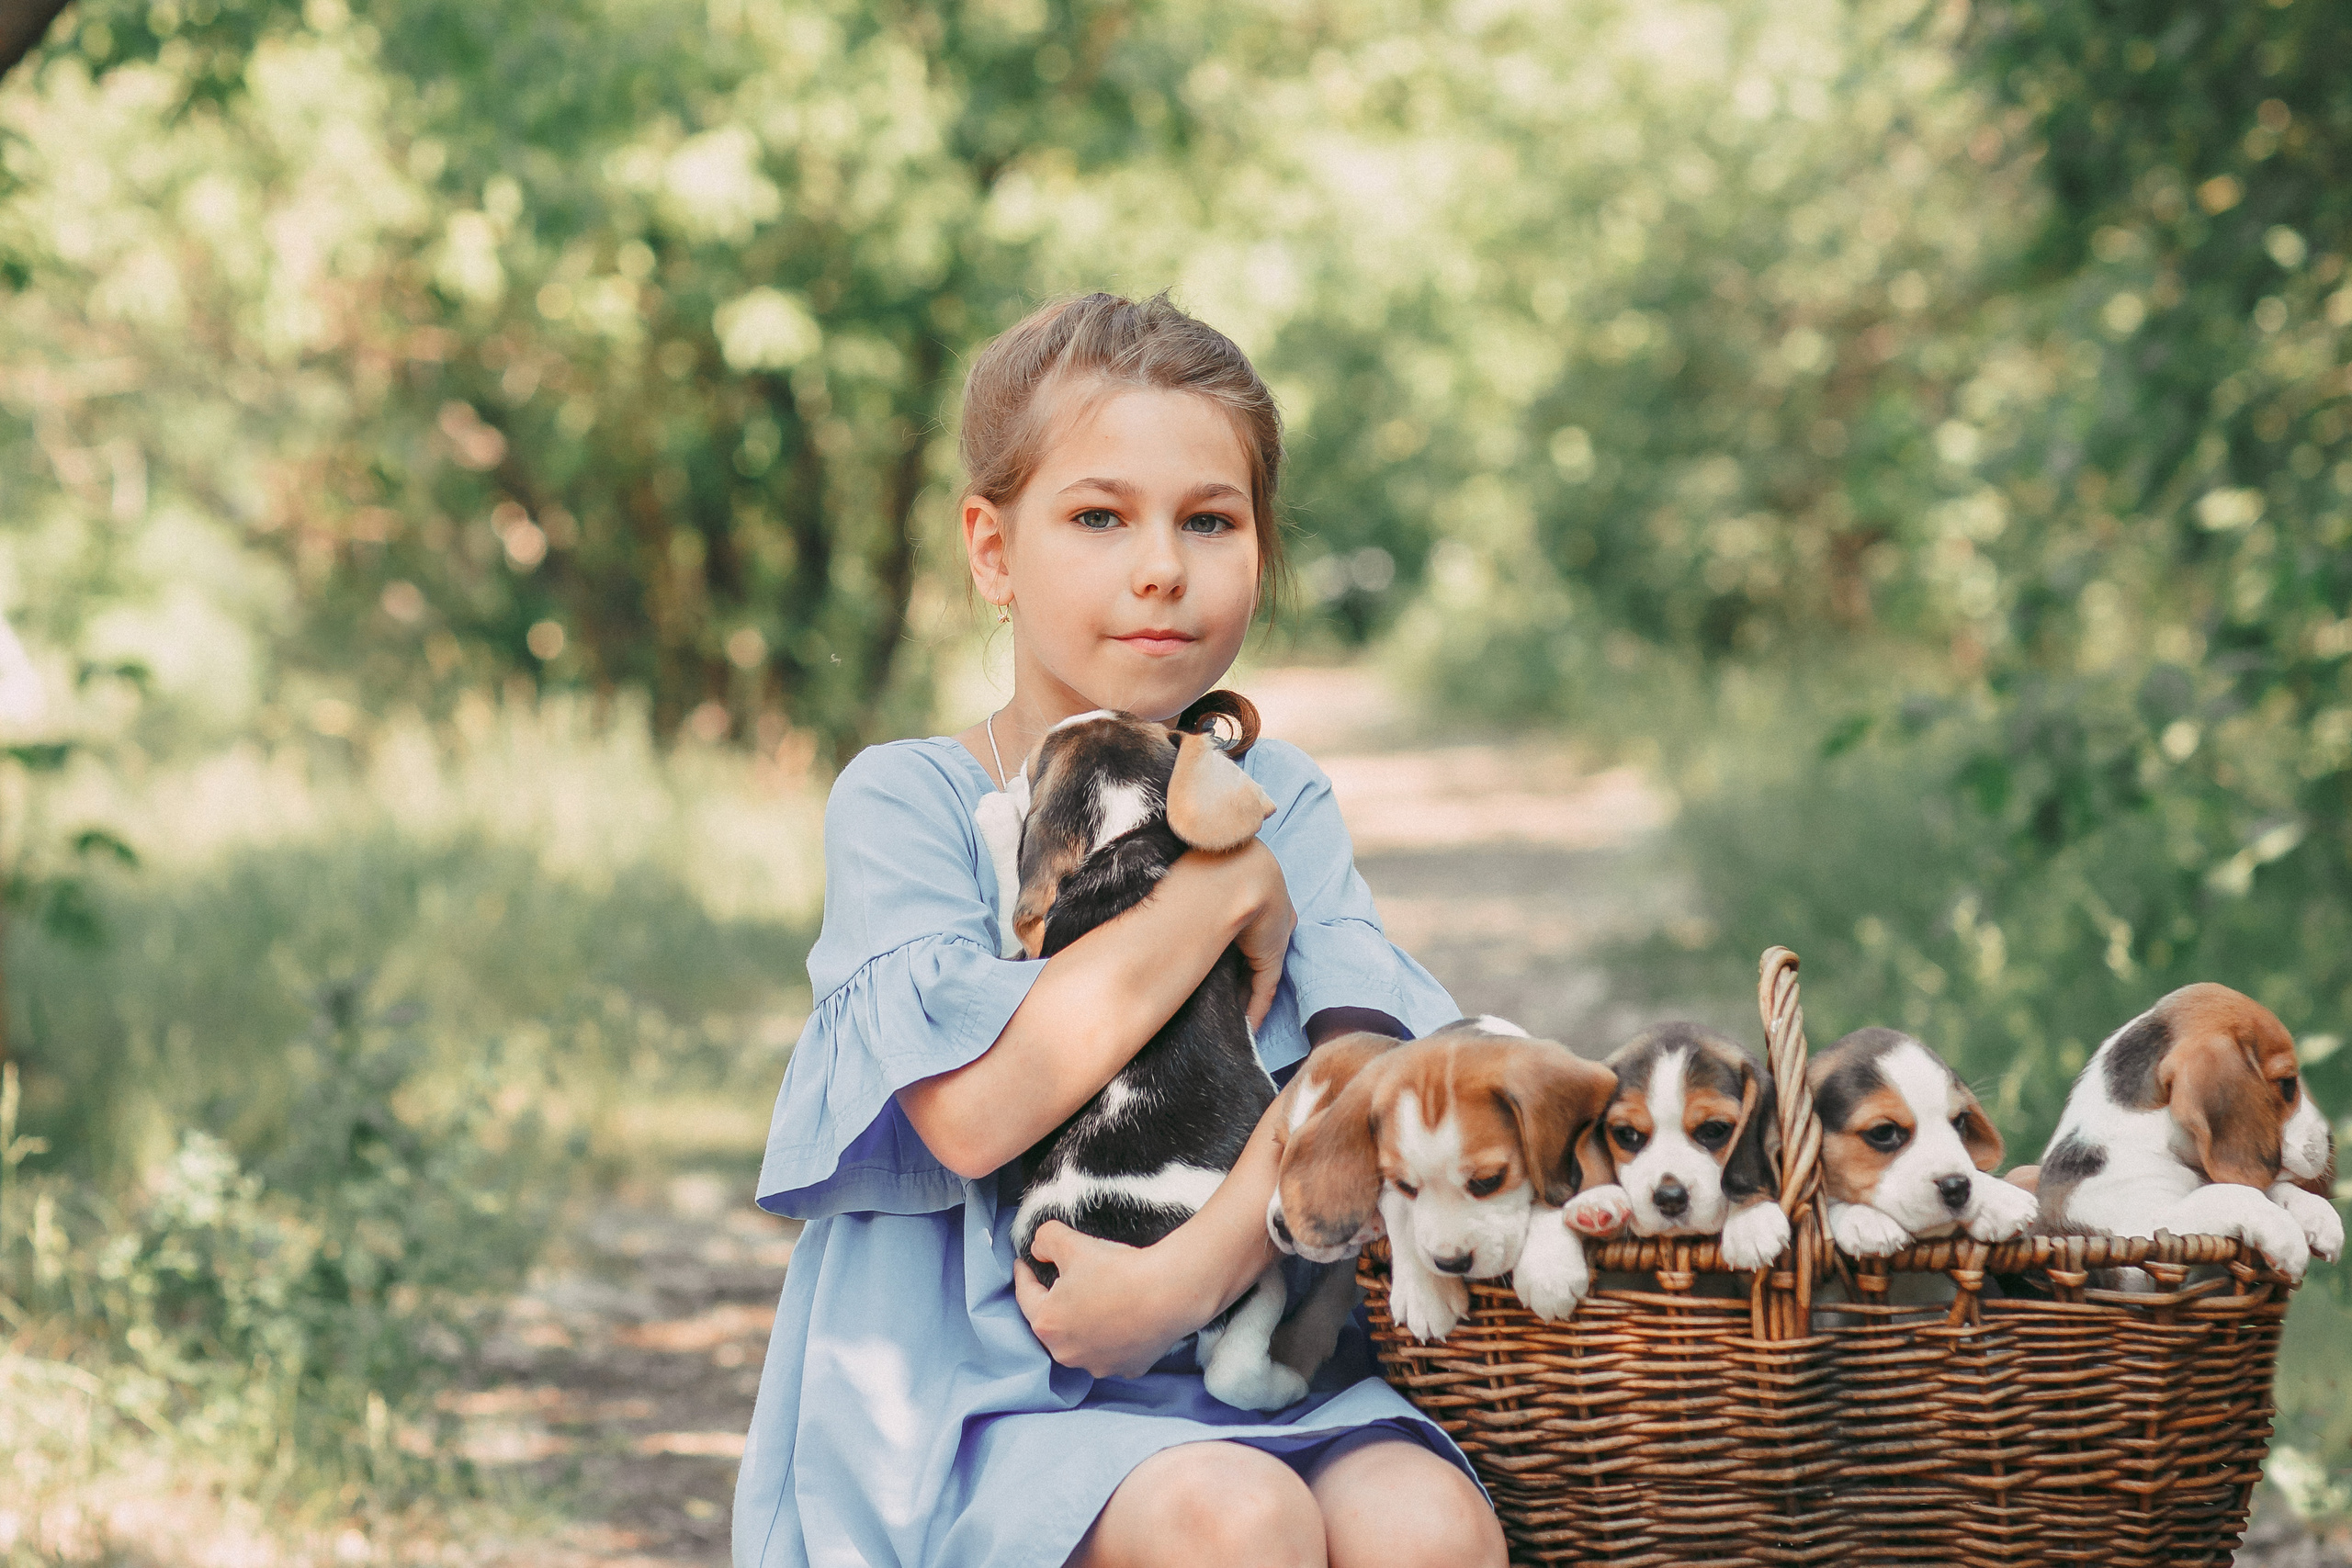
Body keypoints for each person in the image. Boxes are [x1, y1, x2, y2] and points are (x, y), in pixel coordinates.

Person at [732, 292, 1507, 1568]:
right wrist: (1215, 890)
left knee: (1427, 1525)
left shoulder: (1285, 790)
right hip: (984, 1387)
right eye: (1098, 518)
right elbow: (975, 1115)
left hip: (1246, 1343)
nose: (1162, 566)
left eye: (1211, 520)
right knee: (1231, 1522)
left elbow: (1359, 1077)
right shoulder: (909, 798)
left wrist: (1179, 1285)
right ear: (993, 549)